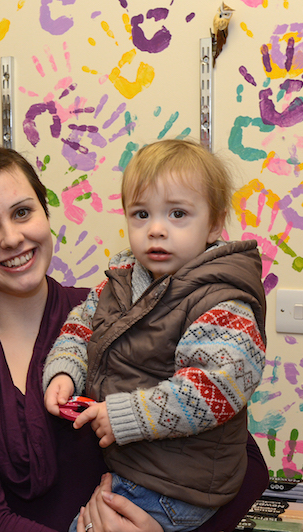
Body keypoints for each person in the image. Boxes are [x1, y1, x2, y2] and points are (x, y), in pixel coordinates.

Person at [0, 142, 269, 532]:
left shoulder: (121, 312)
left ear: (44, 215)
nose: (12, 238)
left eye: (22, 212)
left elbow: (244, 465)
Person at [43, 139, 267, 532]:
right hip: (136, 470)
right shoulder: (123, 280)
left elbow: (216, 388)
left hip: (181, 487)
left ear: (214, 224)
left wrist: (125, 415)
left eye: (178, 213)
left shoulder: (221, 299)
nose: (157, 229)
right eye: (141, 214)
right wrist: (64, 372)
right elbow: (80, 327)